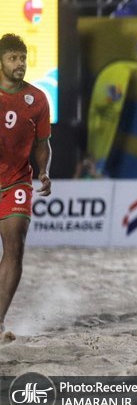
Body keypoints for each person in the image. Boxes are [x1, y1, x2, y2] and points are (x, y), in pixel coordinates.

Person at [0, 34, 52, 342]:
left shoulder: (38, 99)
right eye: (13, 58)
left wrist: (43, 171)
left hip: (17, 181)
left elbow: (43, 143)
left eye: (22, 58)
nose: (20, 63)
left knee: (15, 246)